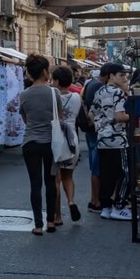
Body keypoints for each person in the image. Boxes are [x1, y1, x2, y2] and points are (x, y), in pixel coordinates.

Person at [18, 54, 61, 236]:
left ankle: (37, 224)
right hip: (51, 143)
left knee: (35, 184)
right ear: (45, 72)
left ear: (29, 73)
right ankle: (51, 221)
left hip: (31, 142)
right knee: (50, 182)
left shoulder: (24, 95)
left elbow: (26, 119)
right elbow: (59, 116)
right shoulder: (54, 93)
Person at [92, 62, 132, 221]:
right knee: (125, 173)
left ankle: (106, 207)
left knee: (107, 174)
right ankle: (119, 206)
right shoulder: (118, 92)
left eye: (125, 75)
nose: (124, 78)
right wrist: (132, 116)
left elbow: (91, 114)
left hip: (102, 138)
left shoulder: (99, 91)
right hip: (117, 139)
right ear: (111, 76)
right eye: (121, 75)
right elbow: (120, 116)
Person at [52, 66, 82, 224]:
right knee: (68, 176)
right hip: (72, 139)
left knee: (55, 179)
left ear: (57, 81)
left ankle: (57, 216)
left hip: (56, 139)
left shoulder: (52, 97)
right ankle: (71, 201)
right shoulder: (76, 97)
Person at [82, 67, 108, 213]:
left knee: (95, 165)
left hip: (90, 129)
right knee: (97, 166)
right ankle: (95, 201)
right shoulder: (99, 87)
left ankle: (95, 200)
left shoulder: (90, 84)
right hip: (97, 130)